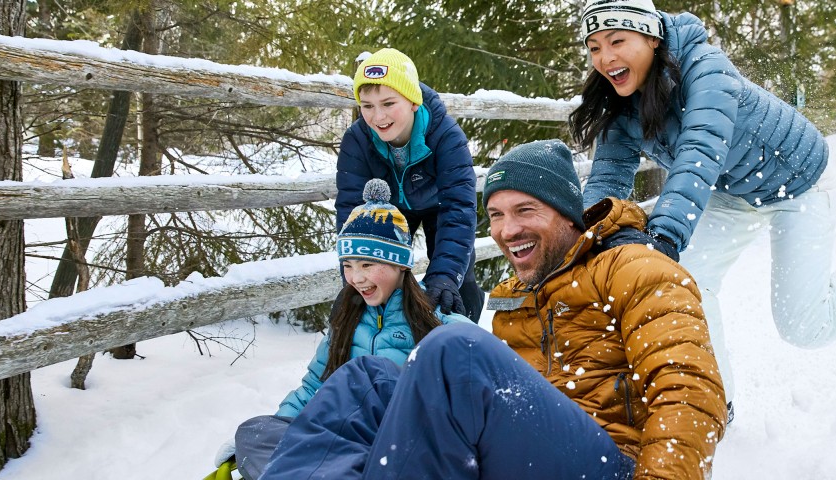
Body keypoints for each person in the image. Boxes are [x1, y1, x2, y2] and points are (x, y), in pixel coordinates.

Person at [258, 140, 726, 480]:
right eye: (497, 215)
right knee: (368, 379)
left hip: (611, 463)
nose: (507, 230)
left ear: (568, 214)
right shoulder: (512, 296)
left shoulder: (635, 268)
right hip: (530, 456)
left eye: (525, 210)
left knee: (452, 349)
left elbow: (689, 393)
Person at [570, 0, 836, 401]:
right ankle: (713, 398)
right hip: (732, 190)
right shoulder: (621, 102)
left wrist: (663, 235)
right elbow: (609, 175)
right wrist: (587, 237)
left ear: (651, 36)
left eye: (616, 40)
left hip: (798, 180)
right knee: (682, 284)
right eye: (594, 47)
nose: (605, 57)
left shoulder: (704, 66)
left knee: (804, 325)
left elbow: (701, 149)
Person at [210, 179, 471, 480]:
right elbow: (313, 388)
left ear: (400, 264)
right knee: (254, 432)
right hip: (340, 441)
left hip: (400, 448)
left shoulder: (437, 321)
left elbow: (473, 398)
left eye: (368, 264)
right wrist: (282, 427)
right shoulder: (347, 318)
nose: (356, 278)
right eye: (348, 265)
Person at [336, 47, 485, 321]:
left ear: (413, 101)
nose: (378, 117)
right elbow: (351, 210)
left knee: (458, 276)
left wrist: (445, 276)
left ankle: (465, 332)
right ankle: (387, 335)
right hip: (386, 207)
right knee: (381, 274)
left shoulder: (446, 136)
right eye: (367, 106)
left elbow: (458, 208)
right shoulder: (357, 140)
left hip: (439, 207)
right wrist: (354, 281)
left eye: (389, 103)